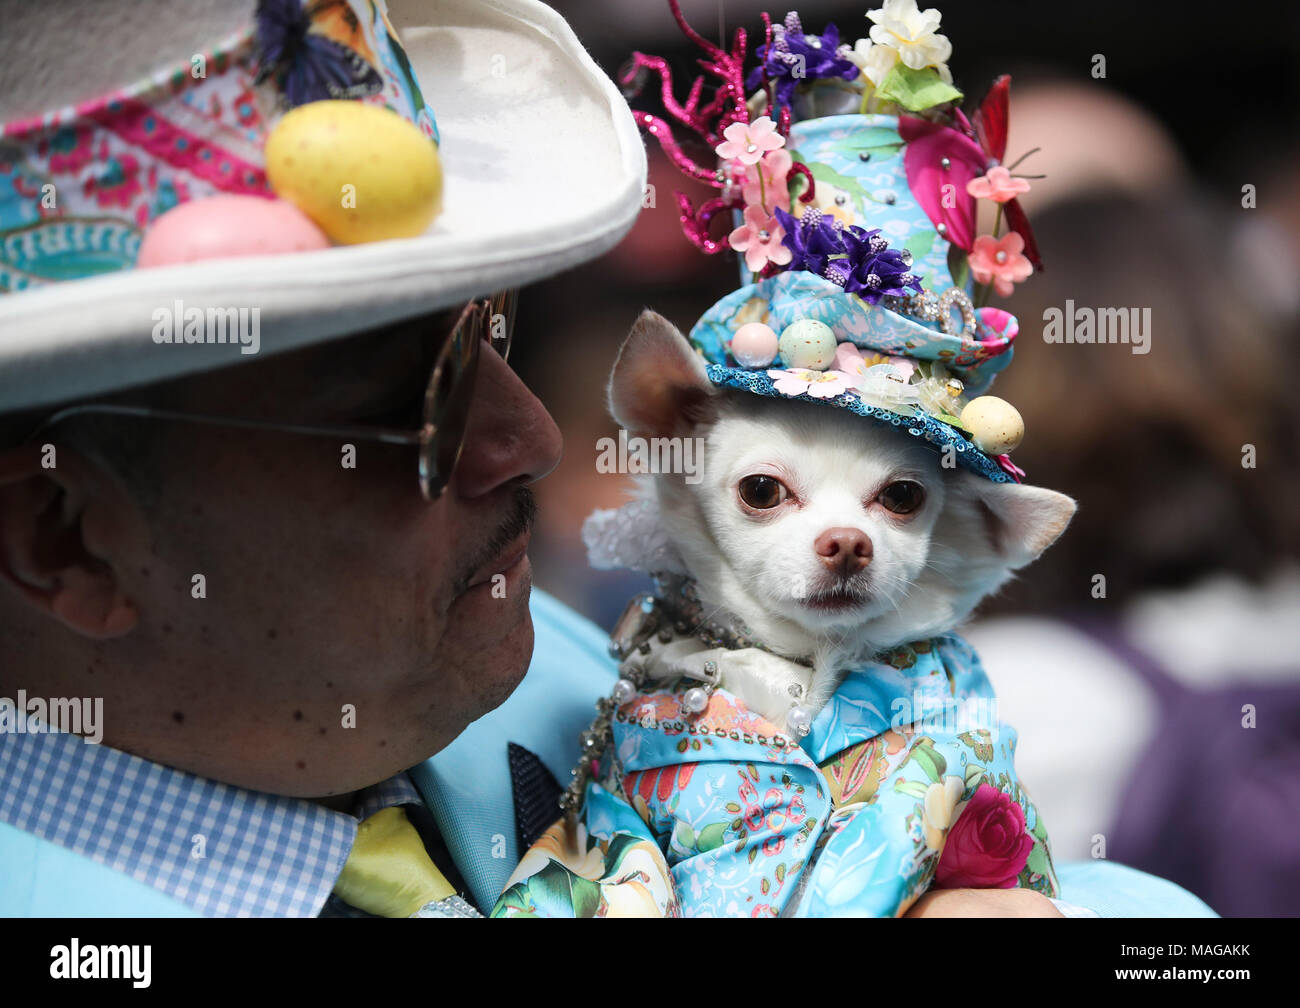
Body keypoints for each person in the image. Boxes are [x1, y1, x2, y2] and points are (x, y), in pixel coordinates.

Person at [0, 0, 1208, 918]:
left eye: (490, 330)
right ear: (63, 538)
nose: (529, 436)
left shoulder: (557, 672)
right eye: (408, 404)